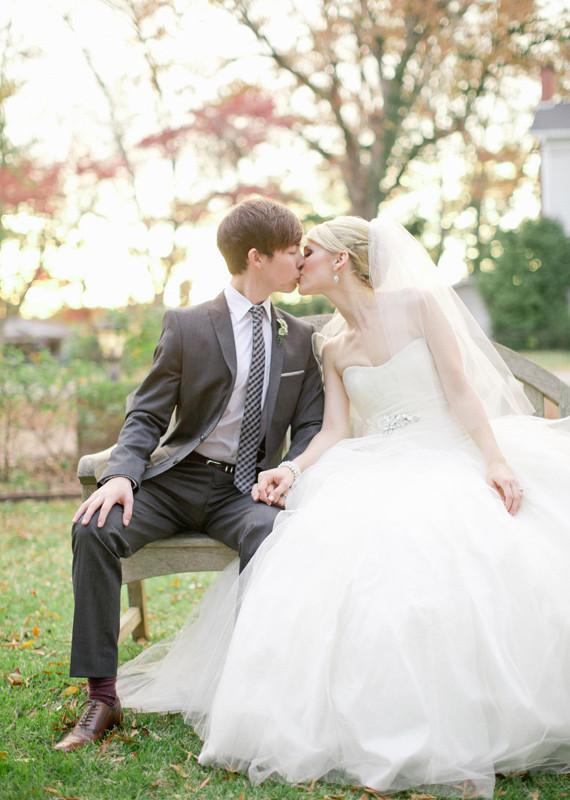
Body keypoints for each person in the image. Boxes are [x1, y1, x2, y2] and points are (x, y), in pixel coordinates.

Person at [116, 215, 570, 799]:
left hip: (449, 451)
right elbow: (331, 432)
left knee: (464, 545)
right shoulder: (329, 346)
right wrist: (290, 467)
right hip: (376, 461)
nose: (298, 259)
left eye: (309, 250)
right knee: (329, 549)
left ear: (341, 261)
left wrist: (495, 460)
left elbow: (459, 390)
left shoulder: (418, 305)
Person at [54, 198, 324, 753]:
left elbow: (313, 424)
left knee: (276, 539)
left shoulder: (299, 338)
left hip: (247, 488)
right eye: (293, 249)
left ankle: (252, 685)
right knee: (94, 528)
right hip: (179, 479)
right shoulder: (187, 325)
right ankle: (102, 696)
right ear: (257, 257)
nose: (301, 258)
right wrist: (122, 475)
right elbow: (148, 412)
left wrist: (288, 472)